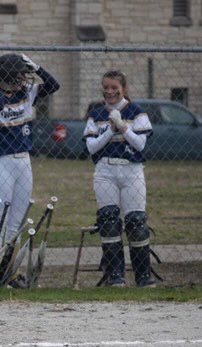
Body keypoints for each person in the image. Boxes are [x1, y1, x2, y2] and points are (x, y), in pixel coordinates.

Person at [0, 53, 59, 286]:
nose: (25, 78)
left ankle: (7, 274)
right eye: (21, 73)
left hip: (23, 162)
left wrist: (38, 66)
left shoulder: (26, 93)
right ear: (7, 76)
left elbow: (53, 85)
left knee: (17, 222)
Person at [83, 70, 155, 288]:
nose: (109, 91)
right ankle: (116, 274)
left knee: (135, 221)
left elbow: (140, 144)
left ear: (123, 88)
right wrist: (109, 130)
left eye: (114, 87)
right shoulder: (96, 115)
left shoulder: (137, 112)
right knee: (108, 220)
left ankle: (143, 275)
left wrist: (123, 126)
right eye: (106, 87)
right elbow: (91, 147)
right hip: (105, 171)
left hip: (131, 169)